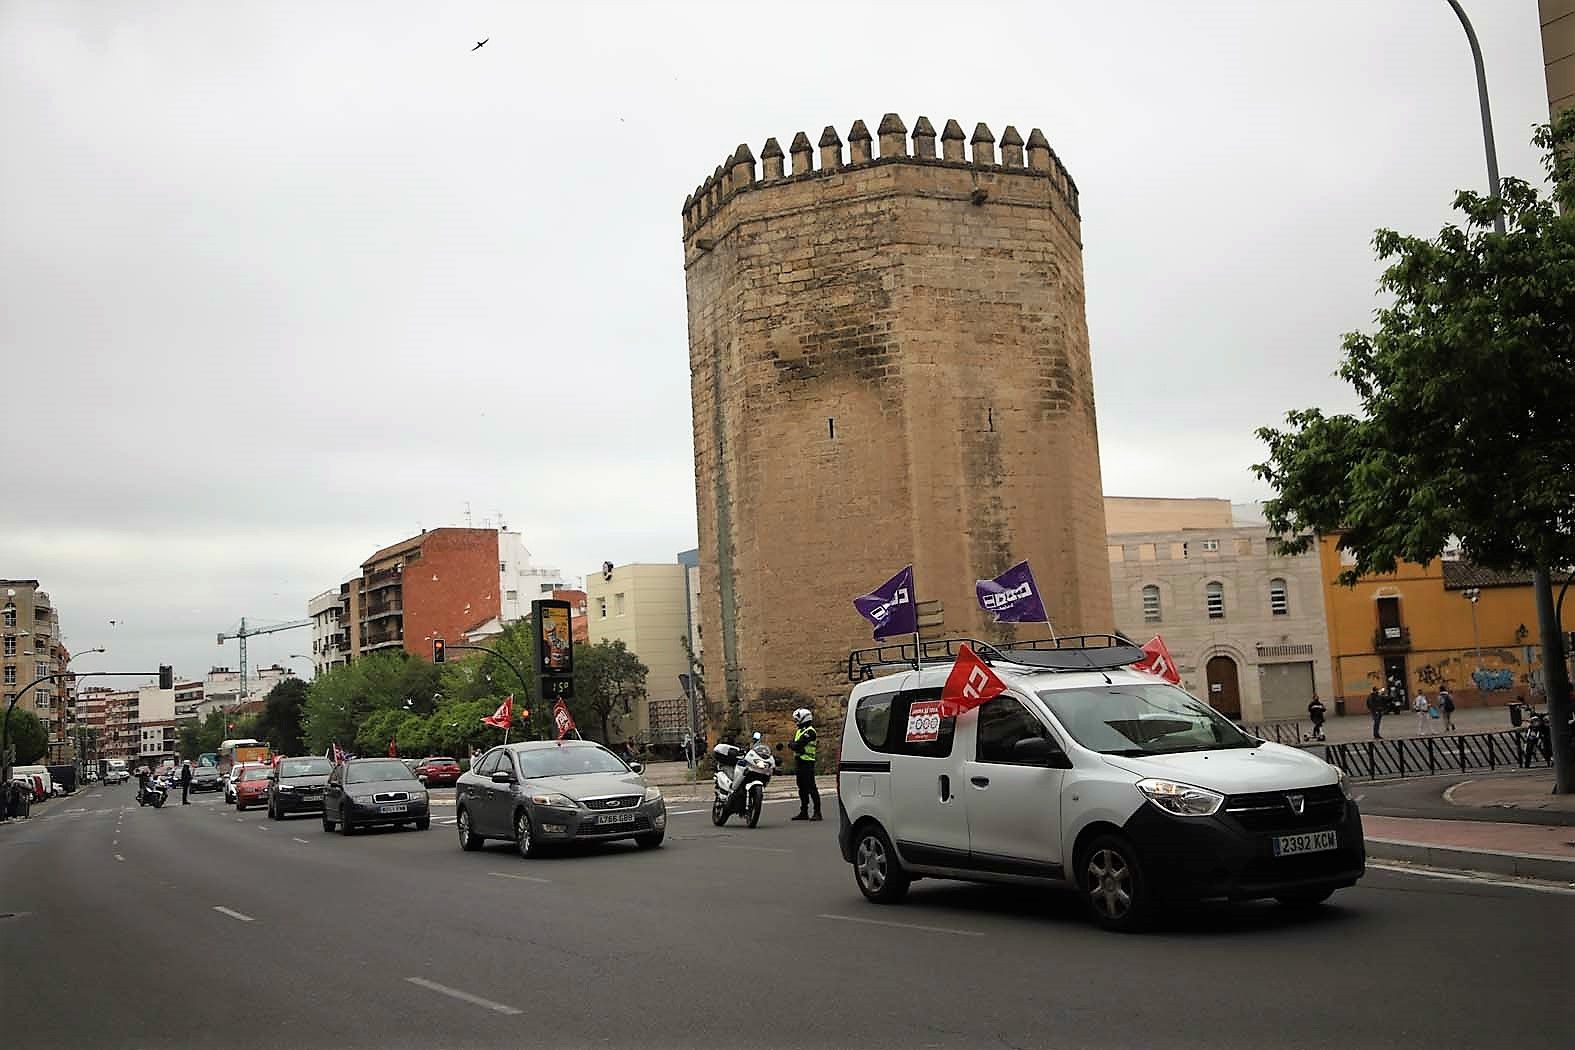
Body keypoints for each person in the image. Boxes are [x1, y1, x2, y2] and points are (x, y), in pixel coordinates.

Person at [788, 707, 821, 821]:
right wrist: (794, 745)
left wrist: (795, 745)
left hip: (807, 762)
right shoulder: (800, 731)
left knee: (811, 787)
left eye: (797, 719)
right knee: (801, 788)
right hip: (799, 762)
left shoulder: (810, 732)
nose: (796, 722)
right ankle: (804, 811)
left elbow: (796, 745)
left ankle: (817, 812)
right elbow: (793, 744)